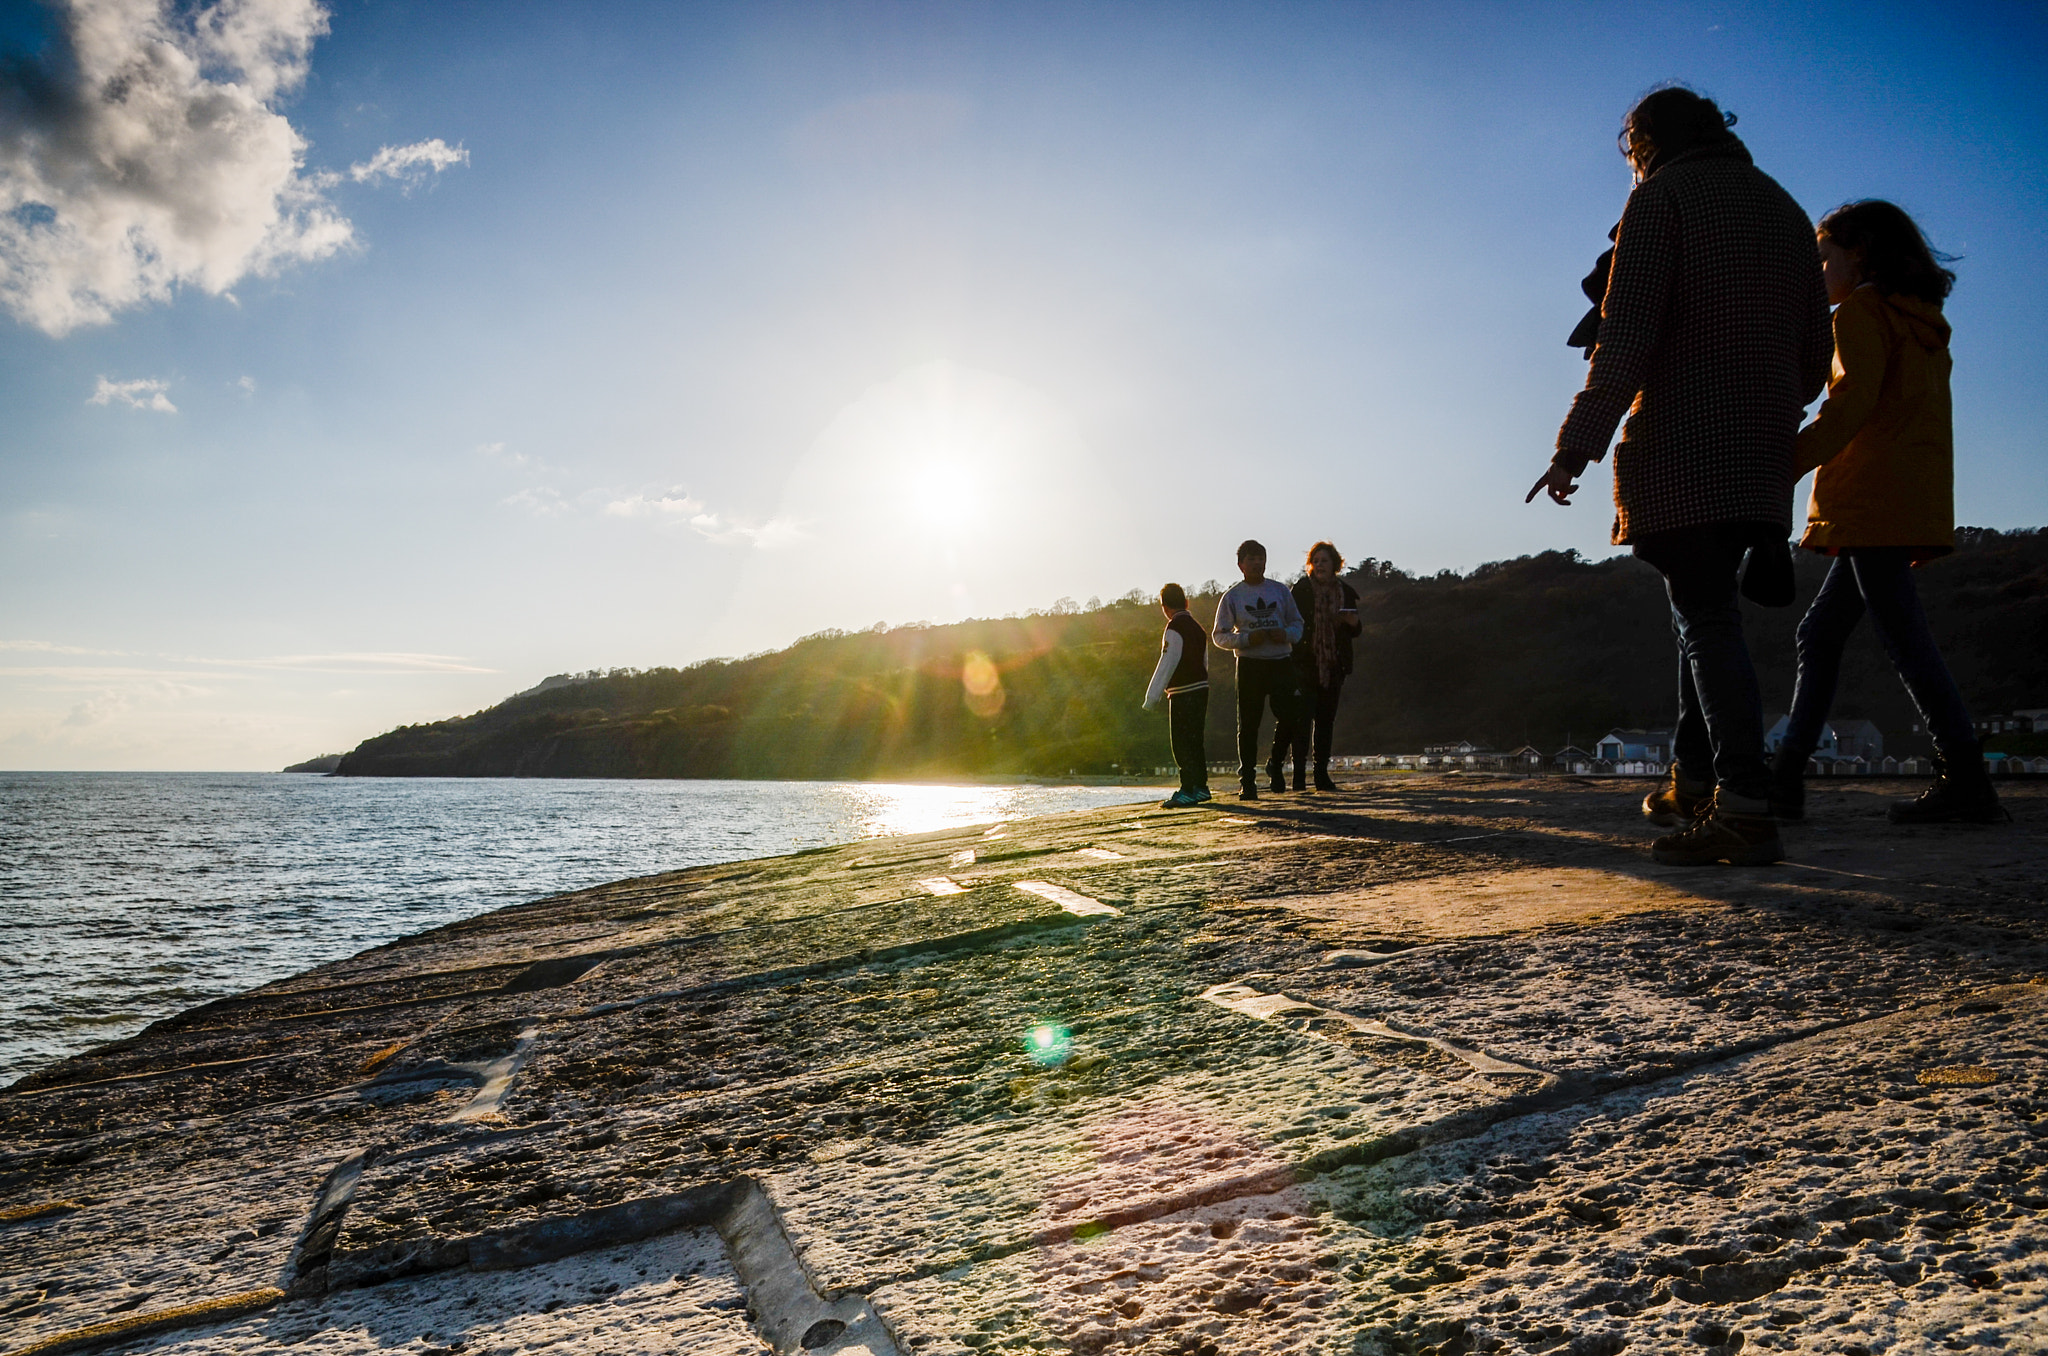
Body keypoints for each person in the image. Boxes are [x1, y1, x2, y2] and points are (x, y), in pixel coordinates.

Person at [1527, 85, 1832, 866]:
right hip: (1762, 442)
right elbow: (1811, 359)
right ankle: (1695, 781)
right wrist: (1763, 403)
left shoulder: (1662, 202)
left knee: (1704, 618)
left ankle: (1746, 805)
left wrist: (1573, 449)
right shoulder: (1786, 209)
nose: (1628, 156)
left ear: (1649, 139)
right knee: (1701, 614)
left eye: (1629, 142)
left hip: (1687, 438)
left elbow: (1623, 342)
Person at [1770, 202, 2007, 826]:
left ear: (1861, 253)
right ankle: (1787, 778)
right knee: (1819, 633)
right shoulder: (1922, 322)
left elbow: (1848, 406)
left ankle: (1967, 779)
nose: (1817, 271)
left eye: (1824, 257)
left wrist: (1782, 462)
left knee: (1905, 638)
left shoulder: (1861, 314)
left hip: (1871, 499)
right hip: (1908, 497)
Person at [1213, 540, 1304, 800]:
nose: (1256, 563)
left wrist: (1285, 634)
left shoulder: (1280, 591)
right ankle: (1248, 782)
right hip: (1250, 664)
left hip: (1280, 660)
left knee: (1290, 716)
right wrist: (1244, 640)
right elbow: (1219, 635)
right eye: (1251, 559)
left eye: (1260, 558)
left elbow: (1298, 623)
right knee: (1249, 724)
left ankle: (1275, 762)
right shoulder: (1232, 596)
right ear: (1240, 564)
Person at [1269, 541, 1361, 791]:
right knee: (1302, 719)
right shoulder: (1300, 590)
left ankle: (1321, 774)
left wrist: (1352, 623)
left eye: (1324, 561)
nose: (1319, 565)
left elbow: (1356, 629)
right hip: (1303, 663)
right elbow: (1290, 622)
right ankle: (1298, 777)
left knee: (1325, 721)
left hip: (1334, 664)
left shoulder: (1346, 592)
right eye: (1316, 561)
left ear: (1335, 565)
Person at [1142, 582, 1213, 809]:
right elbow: (1204, 661)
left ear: (1164, 607)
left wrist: (1151, 698)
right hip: (1201, 688)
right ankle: (1201, 787)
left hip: (1183, 691)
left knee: (1181, 744)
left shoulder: (1174, 628)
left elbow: (1167, 662)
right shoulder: (1198, 628)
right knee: (1195, 741)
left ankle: (1188, 789)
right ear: (1186, 602)